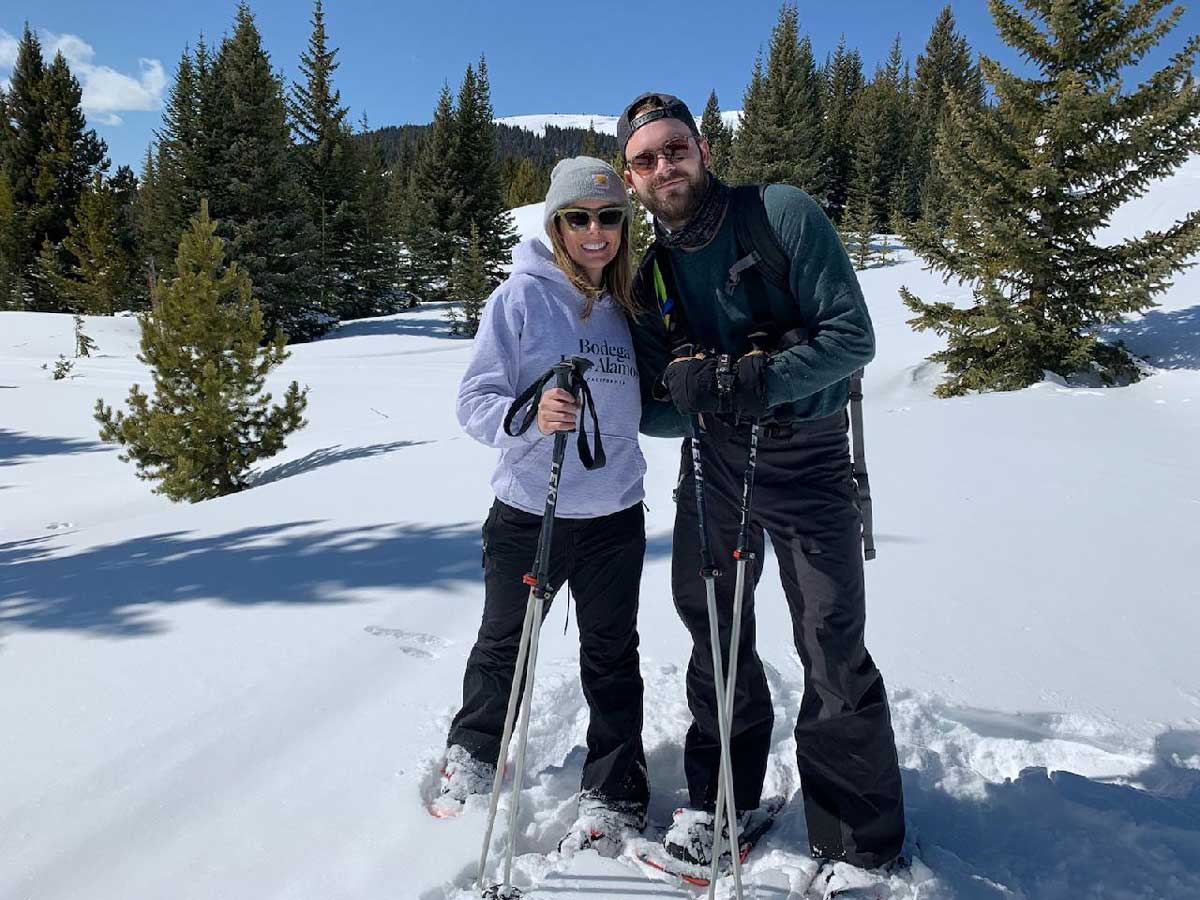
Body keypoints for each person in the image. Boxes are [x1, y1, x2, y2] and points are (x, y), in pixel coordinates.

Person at [617, 92, 907, 877]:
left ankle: (857, 841)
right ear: (631, 178)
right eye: (645, 160)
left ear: (703, 149)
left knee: (830, 638)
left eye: (674, 148)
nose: (663, 167)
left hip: (809, 459)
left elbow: (854, 338)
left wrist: (761, 379)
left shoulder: (780, 213)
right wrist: (697, 397)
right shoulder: (655, 279)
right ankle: (723, 801)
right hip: (713, 466)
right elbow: (654, 409)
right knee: (714, 634)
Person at [434, 157, 650, 855]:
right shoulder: (520, 299)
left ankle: (616, 790)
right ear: (556, 224)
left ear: (624, 224)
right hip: (532, 509)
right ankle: (473, 752)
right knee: (505, 644)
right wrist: (531, 413)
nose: (595, 232)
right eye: (579, 218)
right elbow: (474, 402)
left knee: (612, 658)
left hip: (615, 515)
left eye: (609, 217)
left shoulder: (627, 308)